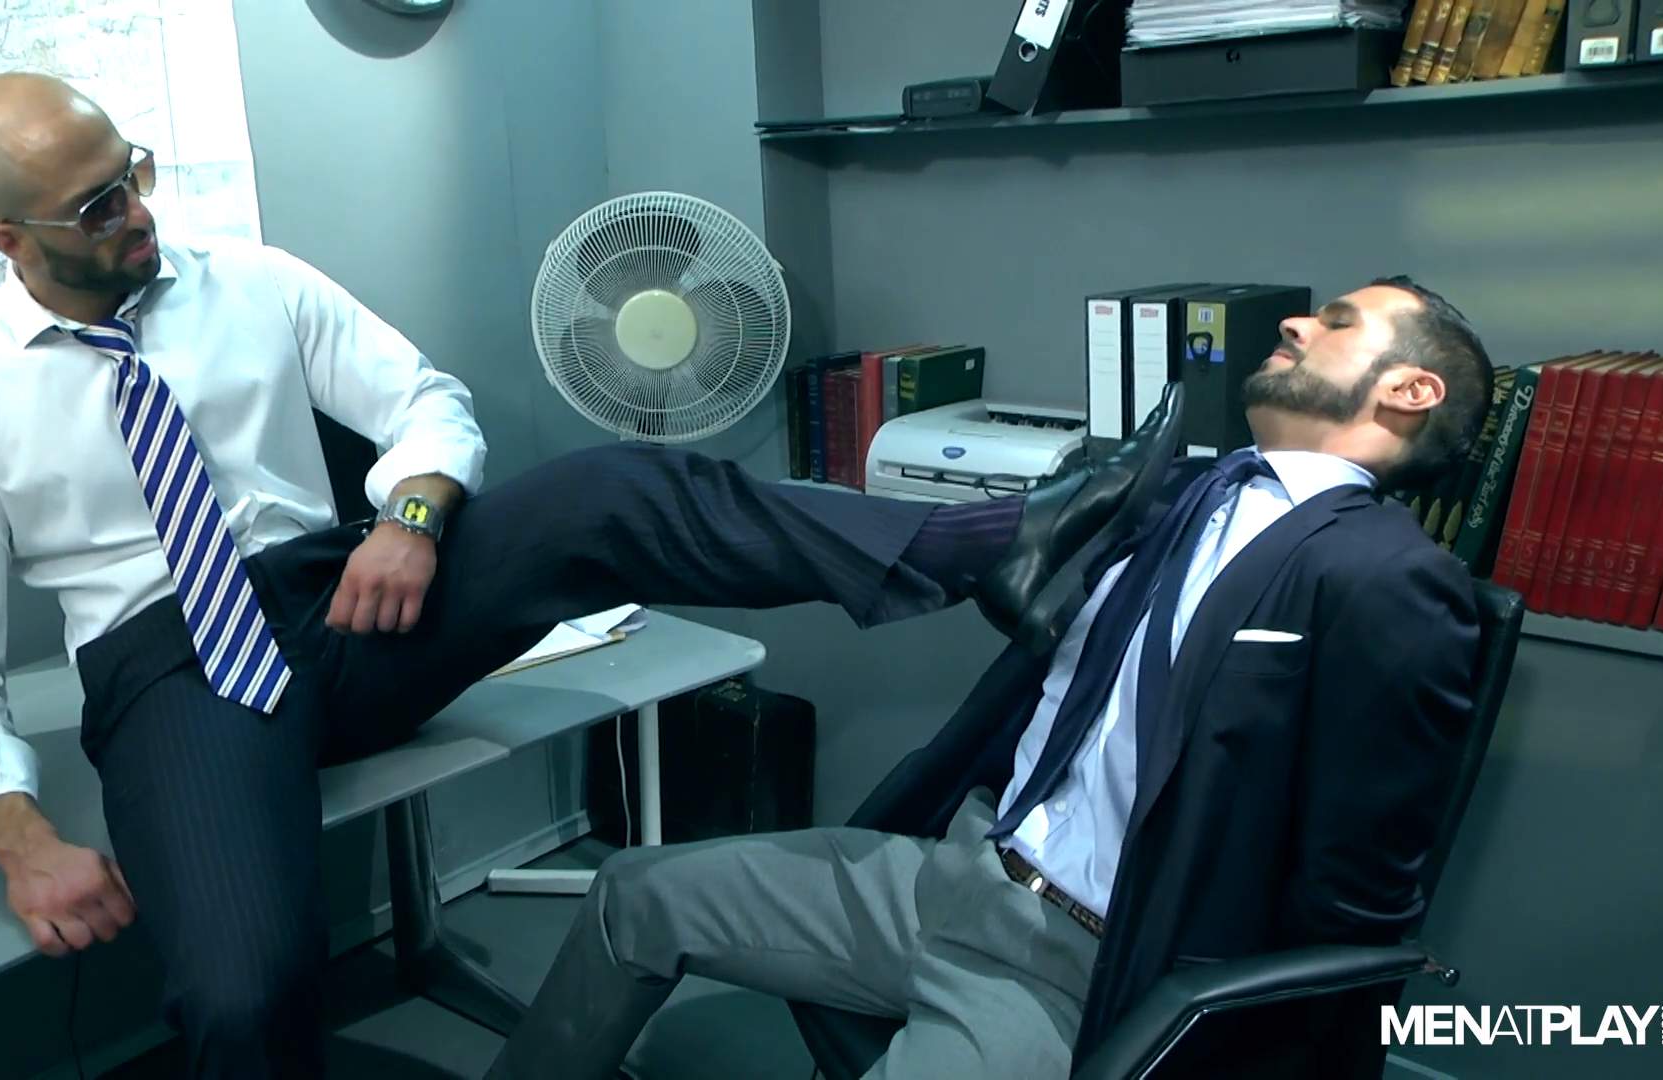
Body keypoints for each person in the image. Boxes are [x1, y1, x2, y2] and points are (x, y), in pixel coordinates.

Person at [0, 73, 1170, 1079]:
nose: (138, 210)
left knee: (607, 489)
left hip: (348, 599)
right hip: (177, 674)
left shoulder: (253, 284)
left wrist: (412, 515)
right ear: (7, 237)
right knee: (241, 988)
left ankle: (989, 547)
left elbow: (425, 404)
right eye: (97, 206)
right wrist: (21, 841)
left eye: (136, 171)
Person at [486, 278, 1497, 1079]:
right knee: (632, 893)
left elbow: (1356, 900)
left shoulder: (1391, 579)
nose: (1295, 322)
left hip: (1076, 961)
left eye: (1337, 322)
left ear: (1410, 391)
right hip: (955, 872)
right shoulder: (1179, 492)